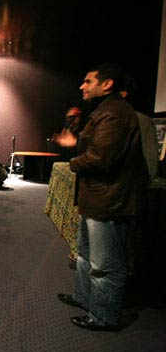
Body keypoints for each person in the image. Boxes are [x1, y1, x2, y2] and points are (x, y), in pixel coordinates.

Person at [54, 64, 148, 331]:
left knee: (104, 264)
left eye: (88, 81)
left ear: (106, 84)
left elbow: (99, 158)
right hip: (97, 198)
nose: (82, 86)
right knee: (84, 255)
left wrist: (73, 161)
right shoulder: (105, 111)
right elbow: (96, 147)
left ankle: (104, 316)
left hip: (109, 201)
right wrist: (75, 145)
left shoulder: (115, 113)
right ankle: (84, 299)